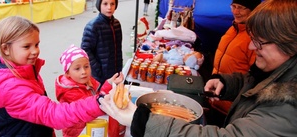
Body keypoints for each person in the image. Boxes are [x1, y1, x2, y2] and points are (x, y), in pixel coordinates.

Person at [99, 0, 297, 136]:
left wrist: (141, 120)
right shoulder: (279, 69)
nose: (252, 47)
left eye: (260, 42)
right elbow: (256, 82)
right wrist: (227, 82)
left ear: (289, 45)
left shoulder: (288, 107)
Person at [0, 16, 115, 136]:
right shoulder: (10, 88)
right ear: (6, 49)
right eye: (27, 46)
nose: (35, 51)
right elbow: (52, 114)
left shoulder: (25, 69)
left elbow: (39, 114)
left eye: (36, 44)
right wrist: (99, 102)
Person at [208, 0, 261, 126]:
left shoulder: (255, 38)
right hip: (215, 101)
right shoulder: (232, 29)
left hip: (231, 110)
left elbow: (255, 78)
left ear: (253, 10)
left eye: (241, 8)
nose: (236, 12)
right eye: (234, 7)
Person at [55, 45, 123, 137]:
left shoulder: (87, 82)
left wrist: (109, 83)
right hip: (78, 133)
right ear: (67, 73)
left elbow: (97, 98)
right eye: (77, 68)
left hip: (89, 127)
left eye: (86, 66)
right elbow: (92, 105)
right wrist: (104, 98)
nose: (83, 71)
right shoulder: (70, 92)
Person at [81, 0, 123, 85]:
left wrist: (119, 67)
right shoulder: (93, 26)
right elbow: (86, 49)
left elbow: (118, 48)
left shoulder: (116, 24)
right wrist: (97, 69)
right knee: (103, 96)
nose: (109, 7)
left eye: (112, 4)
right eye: (105, 4)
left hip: (115, 73)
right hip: (100, 76)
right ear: (99, 5)